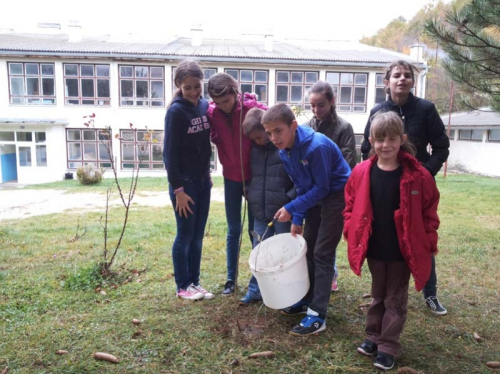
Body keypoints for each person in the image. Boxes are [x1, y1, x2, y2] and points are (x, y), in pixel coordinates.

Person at [344, 111, 440, 371]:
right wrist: (350, 228)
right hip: (374, 248)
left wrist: (429, 240)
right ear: (371, 140)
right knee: (378, 295)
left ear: (402, 139)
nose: (385, 145)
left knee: (395, 298)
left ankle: (388, 345)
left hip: (402, 251)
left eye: (392, 139)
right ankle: (373, 336)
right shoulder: (362, 172)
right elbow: (350, 206)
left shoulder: (419, 176)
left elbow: (430, 211)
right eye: (380, 139)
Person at [360, 60, 449, 315]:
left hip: (415, 188)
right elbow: (367, 148)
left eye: (407, 75)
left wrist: (424, 175)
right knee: (385, 236)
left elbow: (441, 147)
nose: (402, 79)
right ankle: (382, 292)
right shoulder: (378, 110)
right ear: (386, 82)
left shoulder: (425, 109)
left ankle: (430, 293)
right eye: (397, 75)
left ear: (412, 81)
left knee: (419, 236)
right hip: (385, 185)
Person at [262, 104, 351, 336]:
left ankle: (317, 315)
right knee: (307, 249)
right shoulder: (285, 151)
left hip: (336, 196)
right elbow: (303, 186)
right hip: (315, 195)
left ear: (293, 126)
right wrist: (298, 217)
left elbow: (322, 188)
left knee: (322, 253)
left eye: (278, 131)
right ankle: (307, 300)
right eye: (269, 133)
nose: (273, 138)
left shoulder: (315, 147)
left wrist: (291, 208)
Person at [207, 73, 267, 296]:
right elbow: (214, 134)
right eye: (218, 102)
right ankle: (230, 279)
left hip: (253, 178)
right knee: (233, 230)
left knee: (255, 230)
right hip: (231, 178)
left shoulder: (252, 109)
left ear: (235, 93)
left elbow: (271, 120)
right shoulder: (213, 113)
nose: (222, 107)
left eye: (227, 101)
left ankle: (257, 279)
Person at [163, 60, 214, 301]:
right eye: (188, 87)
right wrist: (178, 190)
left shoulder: (204, 105)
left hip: (204, 182)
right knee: (185, 235)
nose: (193, 92)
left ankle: (195, 282)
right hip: (184, 185)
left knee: (198, 235)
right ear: (178, 86)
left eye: (197, 86)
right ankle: (182, 285)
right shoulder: (176, 111)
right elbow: (169, 154)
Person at [238, 108, 294, 306]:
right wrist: (250, 193)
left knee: (283, 252)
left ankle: (285, 291)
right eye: (255, 139)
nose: (260, 142)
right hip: (260, 212)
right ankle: (255, 290)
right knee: (259, 250)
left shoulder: (285, 148)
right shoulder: (253, 151)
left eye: (261, 137)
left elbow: (297, 180)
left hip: (283, 212)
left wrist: (288, 200)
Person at [307, 80, 356, 292]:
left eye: (321, 105)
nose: (317, 110)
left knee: (326, 242)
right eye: (312, 106)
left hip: (335, 194)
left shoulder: (344, 128)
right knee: (312, 241)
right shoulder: (308, 126)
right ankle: (313, 282)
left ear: (332, 101)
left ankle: (329, 277)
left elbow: (348, 162)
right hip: (313, 194)